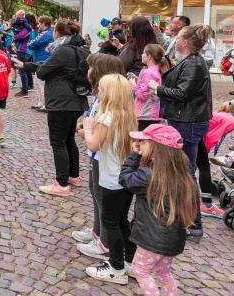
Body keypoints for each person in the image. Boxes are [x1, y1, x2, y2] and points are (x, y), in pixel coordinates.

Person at [148, 24, 212, 237]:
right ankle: (187, 220)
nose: (175, 40)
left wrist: (157, 88)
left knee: (185, 172)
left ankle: (193, 223)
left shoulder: (194, 63)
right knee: (184, 170)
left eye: (178, 37)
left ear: (185, 42)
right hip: (186, 120)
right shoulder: (190, 61)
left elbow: (183, 93)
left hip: (188, 122)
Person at [119, 124, 195, 296]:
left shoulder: (150, 176)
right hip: (173, 238)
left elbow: (126, 179)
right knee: (163, 272)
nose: (139, 144)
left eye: (143, 142)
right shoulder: (183, 174)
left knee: (140, 270)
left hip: (153, 239)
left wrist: (134, 155)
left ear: (156, 149)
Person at [82, 74, 138, 285]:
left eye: (102, 90)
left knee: (111, 222)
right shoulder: (128, 115)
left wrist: (88, 127)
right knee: (122, 220)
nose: (99, 93)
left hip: (111, 179)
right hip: (124, 178)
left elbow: (93, 145)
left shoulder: (107, 117)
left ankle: (116, 267)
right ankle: (129, 260)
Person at [71, 53, 126, 264]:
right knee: (95, 192)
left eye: (91, 68)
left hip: (102, 155)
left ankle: (104, 240)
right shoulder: (100, 97)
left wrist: (87, 131)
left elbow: (99, 133)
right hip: (97, 154)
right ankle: (97, 231)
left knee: (102, 197)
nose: (88, 71)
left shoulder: (110, 104)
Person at [32, 19, 89, 196]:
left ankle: (61, 183)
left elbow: (42, 72)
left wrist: (39, 67)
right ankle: (74, 176)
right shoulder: (80, 48)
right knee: (69, 139)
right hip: (76, 101)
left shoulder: (62, 50)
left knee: (58, 142)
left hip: (61, 102)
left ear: (57, 33)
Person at [130, 44, 169, 131]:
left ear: (150, 57)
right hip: (154, 113)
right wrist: (138, 80)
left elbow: (142, 95)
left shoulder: (148, 72)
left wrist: (133, 85)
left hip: (146, 114)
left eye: (144, 53)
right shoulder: (157, 70)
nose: (141, 55)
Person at [28, 16, 54, 111]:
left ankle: (45, 105)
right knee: (37, 83)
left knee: (41, 84)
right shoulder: (49, 32)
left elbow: (32, 44)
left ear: (43, 24)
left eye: (39, 23)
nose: (38, 25)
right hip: (41, 60)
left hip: (42, 61)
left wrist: (30, 43)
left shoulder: (46, 33)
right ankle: (41, 102)